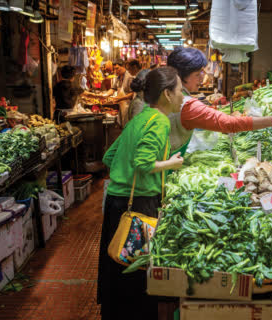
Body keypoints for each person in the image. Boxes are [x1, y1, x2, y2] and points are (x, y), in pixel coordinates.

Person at [98, 67, 184, 320]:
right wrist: (171, 163)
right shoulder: (158, 121)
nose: (182, 96)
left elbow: (109, 156)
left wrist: (123, 175)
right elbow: (143, 163)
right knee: (136, 272)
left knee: (117, 265)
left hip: (117, 203)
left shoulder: (140, 117)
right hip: (139, 204)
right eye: (180, 91)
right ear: (167, 94)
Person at [166, 47, 272, 156]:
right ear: (182, 76)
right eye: (197, 75)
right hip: (163, 167)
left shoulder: (168, 95)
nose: (201, 79)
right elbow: (231, 124)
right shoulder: (187, 104)